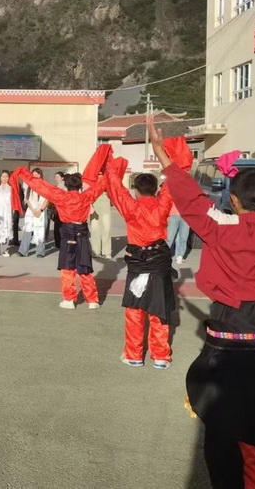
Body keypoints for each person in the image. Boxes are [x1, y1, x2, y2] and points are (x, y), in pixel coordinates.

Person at [149, 121, 255, 488]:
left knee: (224, 440)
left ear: (234, 200)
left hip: (228, 339)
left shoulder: (222, 227)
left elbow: (191, 200)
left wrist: (163, 153)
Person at [105, 155, 180, 369]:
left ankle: (134, 355)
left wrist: (113, 164)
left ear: (136, 190)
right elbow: (174, 180)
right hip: (159, 262)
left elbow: (115, 188)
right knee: (159, 309)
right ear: (156, 190)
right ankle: (161, 356)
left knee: (135, 309)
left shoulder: (131, 206)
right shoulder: (162, 204)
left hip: (138, 263)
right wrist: (171, 159)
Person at [16, 164, 106, 309]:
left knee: (67, 267)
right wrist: (112, 170)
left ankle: (69, 299)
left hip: (68, 233)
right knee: (85, 266)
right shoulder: (86, 196)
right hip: (82, 234)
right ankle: (92, 300)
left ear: (66, 185)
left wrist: (24, 173)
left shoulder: (61, 196)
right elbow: (101, 186)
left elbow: (42, 186)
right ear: (80, 185)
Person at [18, 168, 48, 258]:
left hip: (41, 210)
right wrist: (33, 210)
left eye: (37, 175)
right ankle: (23, 251)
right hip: (31, 210)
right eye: (34, 175)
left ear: (41, 175)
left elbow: (47, 199)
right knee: (28, 230)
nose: (35, 177)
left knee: (40, 230)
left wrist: (40, 210)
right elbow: (27, 200)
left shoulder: (45, 185)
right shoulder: (28, 186)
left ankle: (40, 252)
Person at [0, 171, 15, 257]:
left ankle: (5, 249)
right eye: (3, 176)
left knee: (7, 228)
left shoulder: (11, 188)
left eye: (6, 176)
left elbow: (14, 201)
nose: (5, 178)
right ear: (0, 177)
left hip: (8, 212)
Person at [89, 191, 113, 258]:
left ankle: (106, 252)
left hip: (104, 195)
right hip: (93, 196)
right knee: (95, 226)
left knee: (106, 226)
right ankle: (96, 251)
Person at [51, 171, 65, 248]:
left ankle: (58, 243)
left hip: (60, 209)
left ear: (62, 178)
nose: (56, 179)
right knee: (59, 227)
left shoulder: (62, 187)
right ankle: (59, 243)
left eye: (57, 177)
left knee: (58, 227)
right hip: (59, 209)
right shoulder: (58, 186)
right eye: (55, 177)